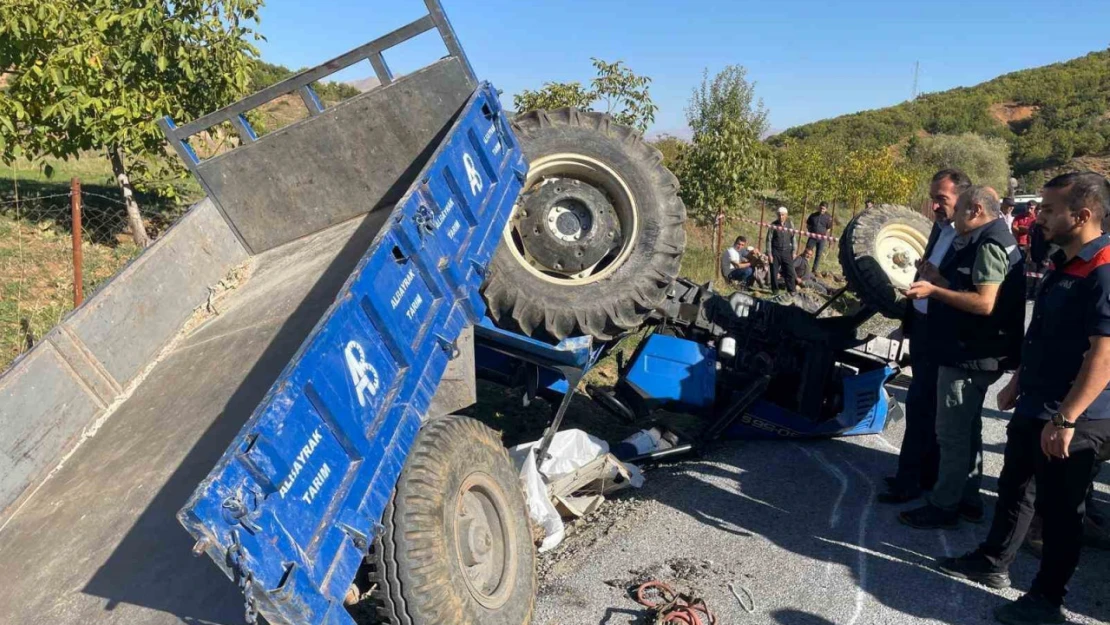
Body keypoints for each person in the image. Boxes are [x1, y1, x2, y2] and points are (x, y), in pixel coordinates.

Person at [938, 172, 1110, 625]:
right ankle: (993, 562)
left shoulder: (1104, 268)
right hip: (1038, 400)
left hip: (1076, 413)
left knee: (1059, 511)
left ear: (1084, 215)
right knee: (1015, 487)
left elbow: (1104, 353)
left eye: (1051, 210)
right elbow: (1044, 331)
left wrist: (1068, 418)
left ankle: (1047, 601)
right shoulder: (1064, 261)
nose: (1040, 217)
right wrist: (1018, 382)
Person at [900, 185, 1025, 529]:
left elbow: (985, 303)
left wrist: (934, 291)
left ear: (975, 211)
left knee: (951, 433)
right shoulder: (991, 237)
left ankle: (944, 505)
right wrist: (939, 277)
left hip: (969, 353)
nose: (952, 217)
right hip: (972, 351)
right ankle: (968, 499)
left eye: (957, 211)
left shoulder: (989, 244)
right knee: (968, 428)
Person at [879, 169, 970, 505]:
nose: (934, 206)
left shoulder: (969, 237)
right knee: (923, 406)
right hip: (922, 329)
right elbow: (925, 275)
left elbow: (967, 291)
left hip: (942, 335)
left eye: (941, 199)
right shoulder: (940, 228)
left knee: (923, 408)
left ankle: (910, 481)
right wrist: (908, 321)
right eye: (933, 198)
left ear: (962, 198)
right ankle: (920, 475)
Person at [766, 206, 797, 295]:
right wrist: (769, 254)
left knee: (790, 271)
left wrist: (794, 251)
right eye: (779, 215)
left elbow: (793, 238)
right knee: (774, 272)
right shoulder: (773, 225)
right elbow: (769, 240)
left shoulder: (790, 224)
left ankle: (791, 290)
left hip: (787, 251)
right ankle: (775, 290)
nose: (781, 217)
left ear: (786, 215)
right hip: (775, 251)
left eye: (783, 215)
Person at [805, 202, 833, 272]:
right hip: (812, 238)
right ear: (818, 207)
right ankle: (804, 268)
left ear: (826, 209)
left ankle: (814, 270)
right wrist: (811, 231)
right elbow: (808, 225)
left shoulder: (828, 218)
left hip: (822, 239)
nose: (822, 210)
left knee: (818, 254)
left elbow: (829, 228)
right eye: (821, 208)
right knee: (807, 252)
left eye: (823, 209)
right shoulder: (813, 215)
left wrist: (824, 235)